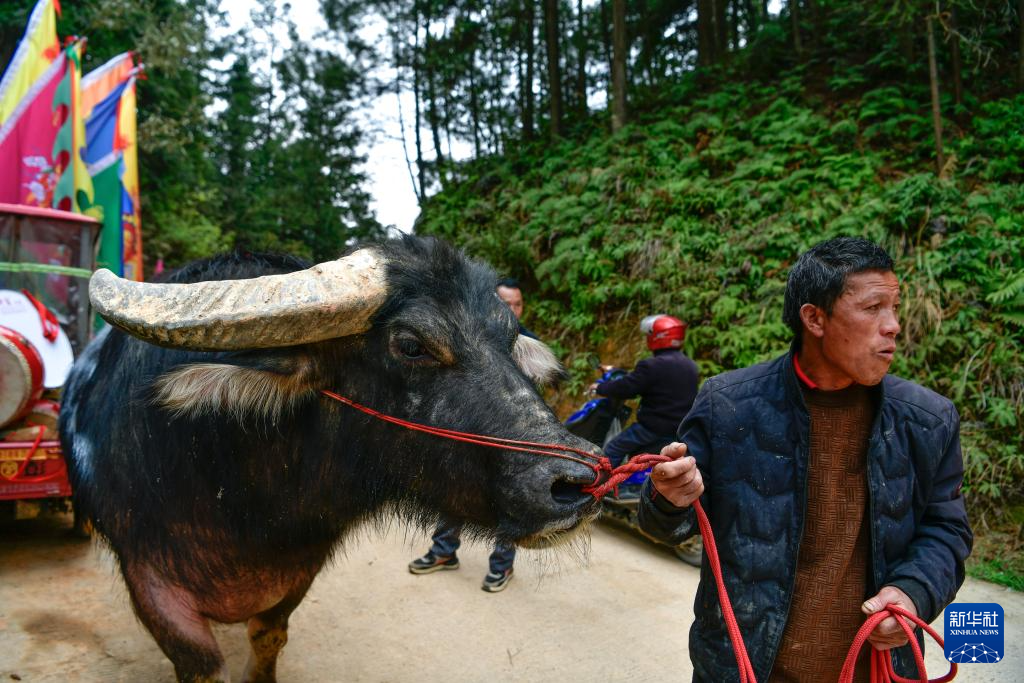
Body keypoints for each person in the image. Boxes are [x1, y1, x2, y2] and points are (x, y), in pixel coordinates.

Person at [638, 237, 973, 682]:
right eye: (873, 308)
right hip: (743, 668)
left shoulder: (927, 420)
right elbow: (667, 526)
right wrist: (669, 497)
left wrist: (914, 592)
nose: (893, 325)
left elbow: (947, 529)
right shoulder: (728, 406)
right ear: (815, 318)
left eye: (895, 307)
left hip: (872, 671)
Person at [407, 277, 531, 593]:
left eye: (517, 304)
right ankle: (443, 551)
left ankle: (502, 566)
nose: (512, 310)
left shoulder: (528, 344)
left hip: (511, 440)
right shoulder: (467, 336)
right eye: (505, 303)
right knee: (454, 491)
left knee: (509, 500)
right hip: (466, 436)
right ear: (491, 303)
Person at [588, 314, 699, 469]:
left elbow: (628, 388)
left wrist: (599, 387)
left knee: (613, 448)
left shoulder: (651, 365)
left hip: (652, 428)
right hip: (678, 429)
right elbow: (653, 381)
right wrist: (617, 371)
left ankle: (600, 480)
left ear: (658, 337)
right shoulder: (691, 366)